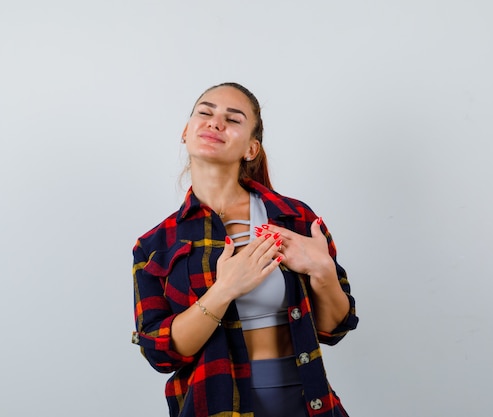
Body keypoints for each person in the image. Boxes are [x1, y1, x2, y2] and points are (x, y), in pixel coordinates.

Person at [131, 82, 358, 417]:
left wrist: (322, 272)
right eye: (205, 113)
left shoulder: (296, 219)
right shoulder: (155, 246)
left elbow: (334, 327)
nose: (214, 122)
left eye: (232, 119)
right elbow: (160, 354)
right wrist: (224, 290)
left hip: (309, 407)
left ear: (251, 149)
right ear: (185, 132)